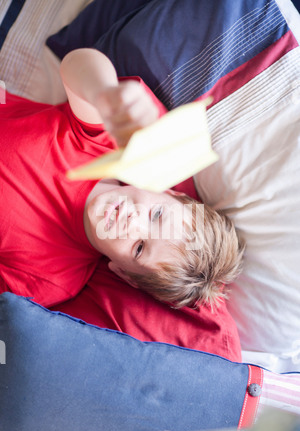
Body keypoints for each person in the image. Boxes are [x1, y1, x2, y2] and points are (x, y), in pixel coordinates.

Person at [0, 48, 244, 309]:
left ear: (123, 273)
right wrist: (106, 95)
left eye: (139, 247)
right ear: (168, 192)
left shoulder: (48, 282)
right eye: (157, 215)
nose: (134, 221)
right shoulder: (108, 146)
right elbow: (76, 65)